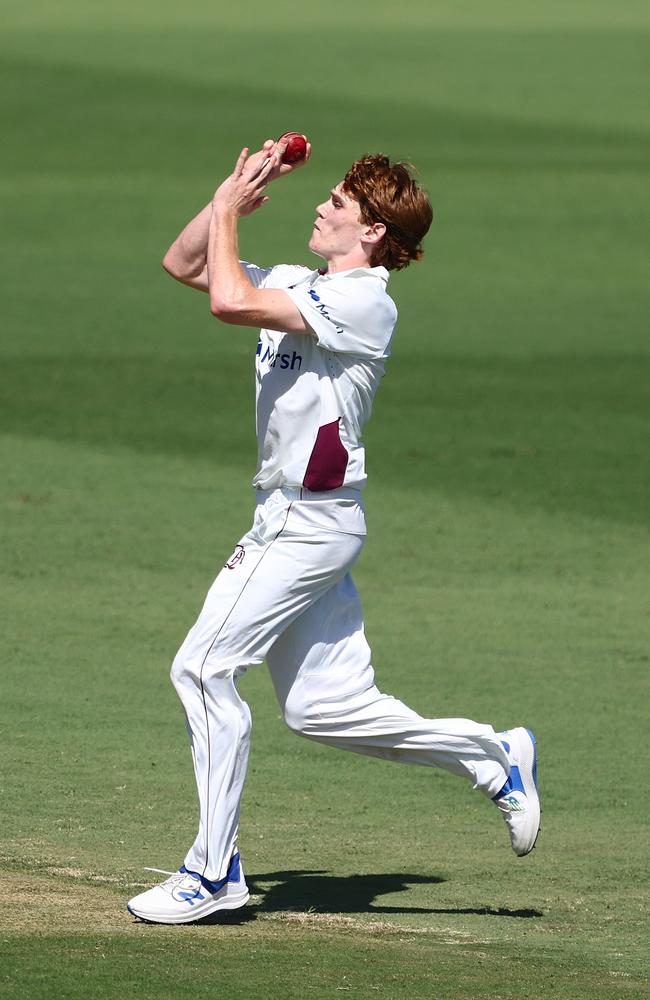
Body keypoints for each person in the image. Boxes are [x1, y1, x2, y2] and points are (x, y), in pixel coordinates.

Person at [127, 138, 541, 925]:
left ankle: (214, 874)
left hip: (305, 522)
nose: (319, 206)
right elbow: (187, 267)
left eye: (338, 204)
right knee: (322, 708)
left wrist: (227, 217)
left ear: (374, 232)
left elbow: (225, 301)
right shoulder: (298, 281)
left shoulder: (364, 301)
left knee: (204, 670)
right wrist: (228, 194)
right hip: (296, 515)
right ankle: (494, 755)